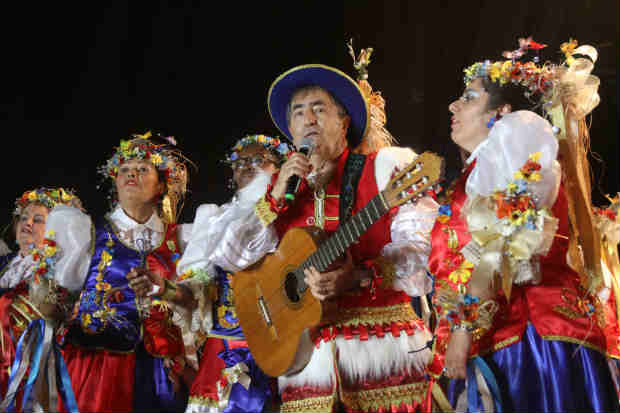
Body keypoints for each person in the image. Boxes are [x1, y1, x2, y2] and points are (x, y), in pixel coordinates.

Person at [216, 55, 439, 411]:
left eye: (319, 108)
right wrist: (273, 201)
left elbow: (425, 253)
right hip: (306, 367)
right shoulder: (277, 188)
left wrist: (364, 275)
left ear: (344, 121)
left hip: (381, 358)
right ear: (289, 129)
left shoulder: (385, 170)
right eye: (299, 111)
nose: (308, 119)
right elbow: (229, 257)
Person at [427, 38, 620, 412]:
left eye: (468, 97)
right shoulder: (472, 177)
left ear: (500, 112)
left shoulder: (519, 131)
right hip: (494, 343)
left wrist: (464, 328)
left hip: (531, 343)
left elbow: (512, 239)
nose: (453, 104)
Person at [54, 132, 195, 412]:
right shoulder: (87, 234)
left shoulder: (181, 238)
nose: (132, 174)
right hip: (97, 366)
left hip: (160, 371)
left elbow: (196, 302)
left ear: (161, 186)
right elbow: (61, 299)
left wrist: (166, 291)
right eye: (125, 170)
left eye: (143, 169)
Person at [173, 134, 292, 412]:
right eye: (239, 162)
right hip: (223, 348)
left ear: (281, 168)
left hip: (284, 348)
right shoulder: (215, 218)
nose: (246, 166)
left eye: (258, 160)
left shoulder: (292, 213)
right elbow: (193, 284)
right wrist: (167, 292)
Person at [0, 188, 86, 411]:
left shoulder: (64, 271)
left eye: (38, 220)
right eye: (24, 217)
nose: (27, 223)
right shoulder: (5, 264)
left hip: (33, 370)